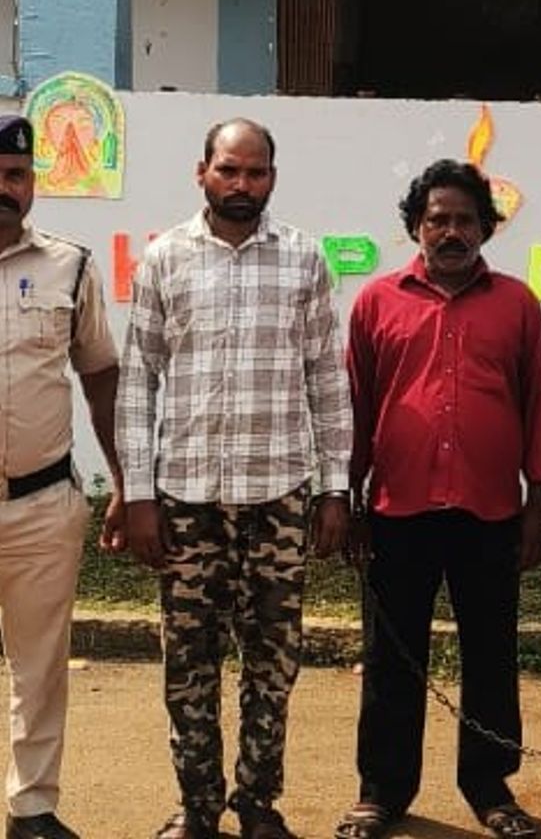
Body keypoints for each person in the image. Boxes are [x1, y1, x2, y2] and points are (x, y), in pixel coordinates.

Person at [116, 118, 352, 839]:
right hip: (185, 500)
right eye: (228, 170)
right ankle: (196, 808)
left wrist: (335, 488)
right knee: (188, 663)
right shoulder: (164, 258)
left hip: (278, 496)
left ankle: (257, 805)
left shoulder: (304, 259)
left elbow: (326, 380)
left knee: (272, 663)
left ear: (272, 178)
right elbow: (138, 382)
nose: (241, 184)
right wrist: (138, 494)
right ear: (203, 173)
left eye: (255, 172)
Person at [335, 159, 541, 839]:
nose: (452, 231)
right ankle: (382, 791)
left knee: (491, 652)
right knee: (391, 656)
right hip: (396, 511)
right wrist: (346, 499)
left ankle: (490, 788)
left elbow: (539, 403)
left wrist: (538, 504)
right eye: (438, 219)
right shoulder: (377, 301)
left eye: (466, 220)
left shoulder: (517, 304)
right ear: (416, 226)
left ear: (486, 228)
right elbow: (356, 406)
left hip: (489, 513)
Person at [0, 113, 123, 839]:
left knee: (40, 667)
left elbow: (101, 378)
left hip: (41, 502)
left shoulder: (69, 266)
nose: (4, 188)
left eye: (15, 175)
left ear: (33, 183)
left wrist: (126, 484)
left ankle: (32, 809)